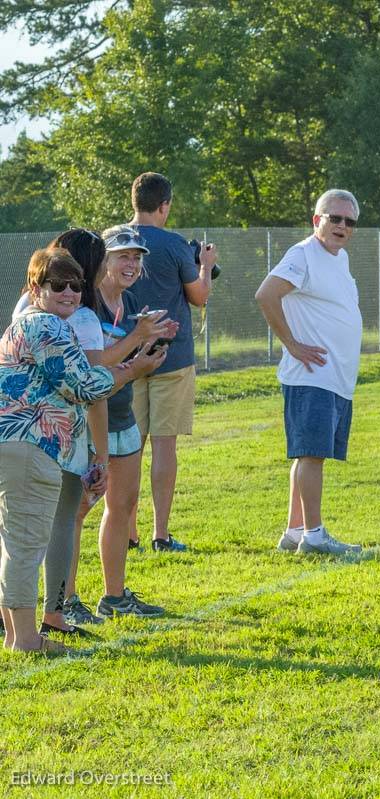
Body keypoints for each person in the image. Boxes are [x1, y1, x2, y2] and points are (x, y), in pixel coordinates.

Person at [0, 248, 162, 654]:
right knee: (25, 544)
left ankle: (16, 634)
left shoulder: (29, 323)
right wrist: (133, 370)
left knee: (14, 541)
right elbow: (84, 387)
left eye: (76, 285)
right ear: (36, 287)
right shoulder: (49, 328)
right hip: (30, 447)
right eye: (59, 285)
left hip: (19, 446)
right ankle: (25, 640)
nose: (70, 292)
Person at [255, 189, 364, 556]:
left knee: (309, 455)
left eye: (349, 221)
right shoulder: (303, 254)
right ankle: (314, 535)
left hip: (333, 377)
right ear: (317, 220)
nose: (342, 226)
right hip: (311, 375)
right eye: (335, 218)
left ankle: (295, 530)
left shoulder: (341, 258)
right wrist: (293, 345)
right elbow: (266, 295)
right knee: (312, 455)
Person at [128, 172, 218, 552]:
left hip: (124, 355)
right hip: (171, 355)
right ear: (164, 205)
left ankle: (126, 531)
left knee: (127, 447)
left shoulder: (112, 240)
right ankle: (160, 533)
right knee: (164, 445)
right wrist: (205, 264)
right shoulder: (174, 243)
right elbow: (198, 297)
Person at [94, 226, 180, 618]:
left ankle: (114, 597)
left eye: (137, 257)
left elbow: (121, 364)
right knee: (75, 513)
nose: (131, 264)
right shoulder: (85, 302)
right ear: (103, 259)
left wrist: (148, 347)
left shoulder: (128, 302)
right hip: (91, 419)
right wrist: (137, 341)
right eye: (123, 256)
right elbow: (95, 363)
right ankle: (64, 602)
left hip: (123, 414)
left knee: (123, 504)